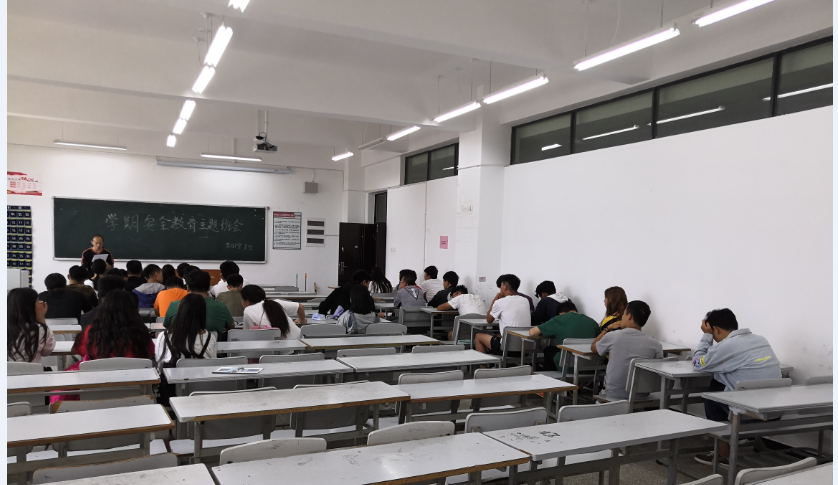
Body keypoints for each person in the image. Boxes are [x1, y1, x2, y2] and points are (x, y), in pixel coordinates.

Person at [692, 309, 781, 466]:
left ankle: (723, 453)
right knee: (723, 382)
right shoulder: (760, 339)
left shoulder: (728, 345)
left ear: (716, 329)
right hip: (775, 411)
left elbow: (697, 363)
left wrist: (706, 336)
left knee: (713, 392)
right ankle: (736, 438)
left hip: (751, 415)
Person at [591, 300, 663, 400]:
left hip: (614, 393)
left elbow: (593, 347)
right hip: (642, 395)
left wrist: (607, 329)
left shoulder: (613, 336)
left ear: (629, 316)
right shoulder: (655, 344)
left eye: (624, 313)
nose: (622, 317)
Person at [154, 293, 217, 405]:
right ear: (203, 314)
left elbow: (159, 366)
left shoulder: (164, 336)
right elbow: (212, 365)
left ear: (179, 309)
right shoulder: (210, 338)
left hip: (171, 396)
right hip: (202, 395)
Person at [72, 290, 155, 361]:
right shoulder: (140, 331)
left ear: (103, 308)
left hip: (98, 374)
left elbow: (81, 351)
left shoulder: (91, 331)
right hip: (135, 374)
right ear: (133, 310)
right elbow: (149, 352)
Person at [529, 299, 599, 371]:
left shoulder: (559, 319)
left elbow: (532, 332)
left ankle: (549, 375)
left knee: (549, 350)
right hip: (592, 368)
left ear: (561, 313)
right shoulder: (592, 322)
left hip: (568, 368)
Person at [163, 269, 234, 338]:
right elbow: (231, 327)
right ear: (208, 288)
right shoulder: (221, 306)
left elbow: (167, 326)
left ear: (187, 287)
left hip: (181, 345)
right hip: (213, 344)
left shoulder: (174, 305)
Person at [475, 274, 531, 355]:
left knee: (478, 336)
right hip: (525, 348)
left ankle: (483, 363)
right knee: (499, 335)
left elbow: (489, 320)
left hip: (507, 349)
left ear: (505, 287)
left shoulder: (499, 302)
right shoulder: (525, 301)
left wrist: (494, 301)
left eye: (501, 286)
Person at [8, 288, 55, 363]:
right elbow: (46, 352)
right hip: (33, 370)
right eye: (38, 301)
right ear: (30, 307)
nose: (41, 302)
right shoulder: (40, 329)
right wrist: (41, 318)